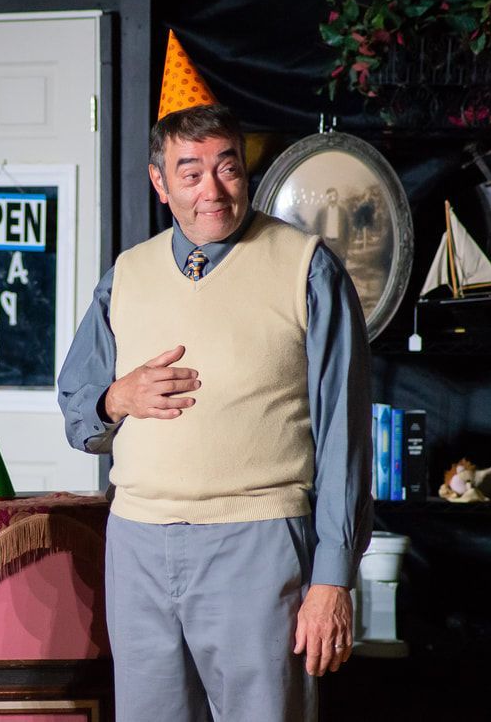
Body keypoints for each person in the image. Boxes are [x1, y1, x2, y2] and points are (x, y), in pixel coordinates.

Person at [57, 104, 373, 721]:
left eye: (228, 168)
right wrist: (115, 399)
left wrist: (332, 578)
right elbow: (78, 409)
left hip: (257, 540)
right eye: (191, 172)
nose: (213, 189)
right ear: (160, 183)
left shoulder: (307, 267)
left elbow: (344, 436)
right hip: (137, 543)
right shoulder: (126, 274)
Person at [313, 187, 351, 264]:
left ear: (337, 197)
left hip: (339, 244)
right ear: (327, 198)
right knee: (326, 268)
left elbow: (348, 231)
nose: (332, 199)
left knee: (340, 268)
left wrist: (346, 247)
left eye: (334, 196)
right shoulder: (321, 212)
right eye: (330, 197)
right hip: (326, 243)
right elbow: (316, 229)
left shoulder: (343, 212)